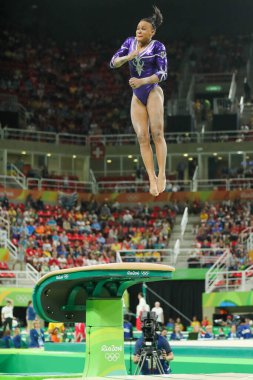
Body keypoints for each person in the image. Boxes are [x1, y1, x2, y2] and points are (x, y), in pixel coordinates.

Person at [110, 6, 168, 197]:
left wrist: (142, 80)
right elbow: (113, 62)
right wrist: (128, 57)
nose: (139, 31)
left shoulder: (158, 46)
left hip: (152, 90)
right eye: (137, 28)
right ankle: (151, 177)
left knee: (157, 133)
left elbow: (163, 73)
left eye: (144, 28)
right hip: (137, 96)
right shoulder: (129, 43)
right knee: (142, 138)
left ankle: (162, 173)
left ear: (152, 31)